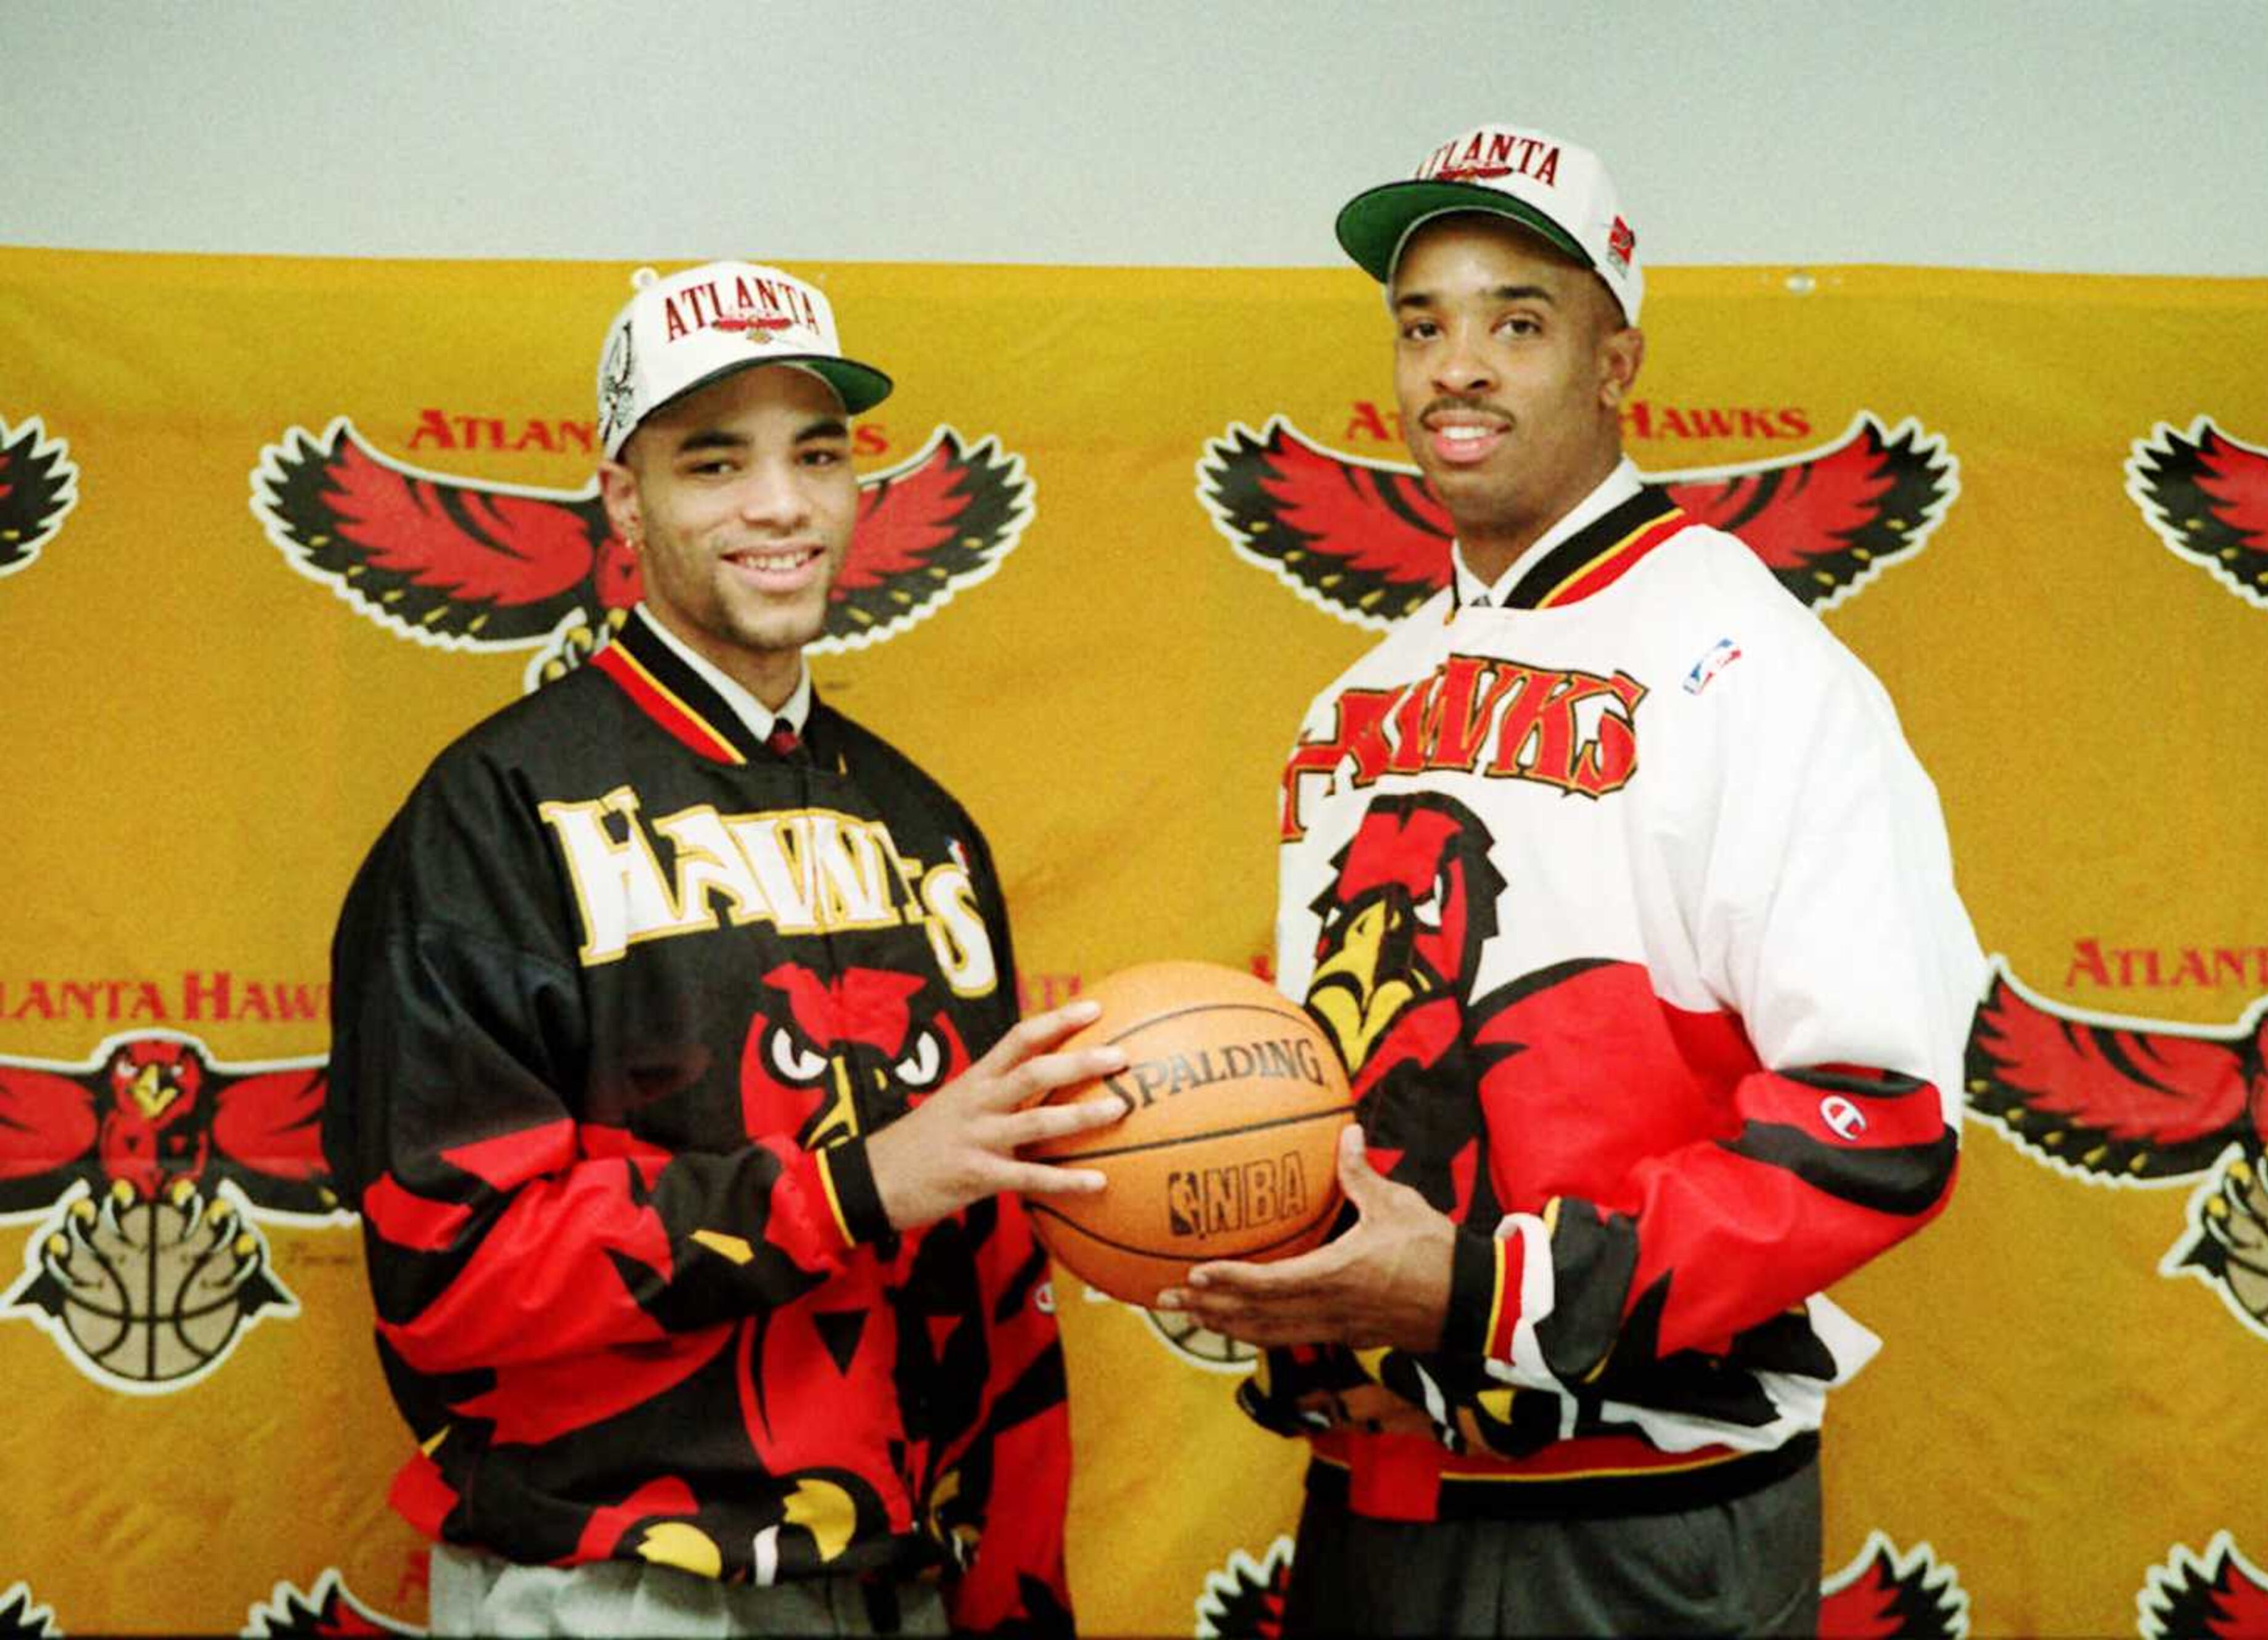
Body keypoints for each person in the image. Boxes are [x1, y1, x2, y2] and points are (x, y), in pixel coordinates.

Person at [1162, 126, 1986, 1636]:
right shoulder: (1356, 701)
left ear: (1618, 360)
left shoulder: (1754, 668)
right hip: (1374, 1503)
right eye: (1424, 324)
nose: (1455, 366)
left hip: (1638, 1533)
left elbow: (1881, 1119)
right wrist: (1228, 1226)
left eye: (1516, 322)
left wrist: (1487, 1287)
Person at [325, 260, 1128, 1638]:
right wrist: (858, 1185)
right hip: (615, 1586)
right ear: (624, 499)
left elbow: (997, 1281)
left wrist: (1018, 1595)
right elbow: (446, 1272)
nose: (781, 504)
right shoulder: (496, 811)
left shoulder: (923, 824)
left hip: (902, 1582)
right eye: (716, 460)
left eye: (817, 454)